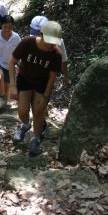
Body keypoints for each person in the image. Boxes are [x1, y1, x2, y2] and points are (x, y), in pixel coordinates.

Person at [9, 21, 63, 157]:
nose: (50, 46)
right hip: (25, 78)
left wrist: (45, 97)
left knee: (39, 112)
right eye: (48, 42)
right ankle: (25, 125)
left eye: (53, 42)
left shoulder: (56, 53)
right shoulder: (28, 43)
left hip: (42, 83)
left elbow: (52, 77)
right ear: (41, 35)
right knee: (22, 112)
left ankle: (35, 138)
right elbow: (12, 62)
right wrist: (12, 86)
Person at [0, 15, 21, 109]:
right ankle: (2, 98)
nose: (7, 29)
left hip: (11, 65)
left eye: (9, 27)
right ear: (1, 26)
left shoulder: (16, 37)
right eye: (5, 27)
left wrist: (19, 63)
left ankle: (5, 102)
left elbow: (20, 51)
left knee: (7, 85)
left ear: (13, 27)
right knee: (1, 76)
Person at [29, 16, 70, 88]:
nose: (37, 36)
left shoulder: (58, 41)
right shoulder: (30, 40)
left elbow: (63, 59)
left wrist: (66, 76)